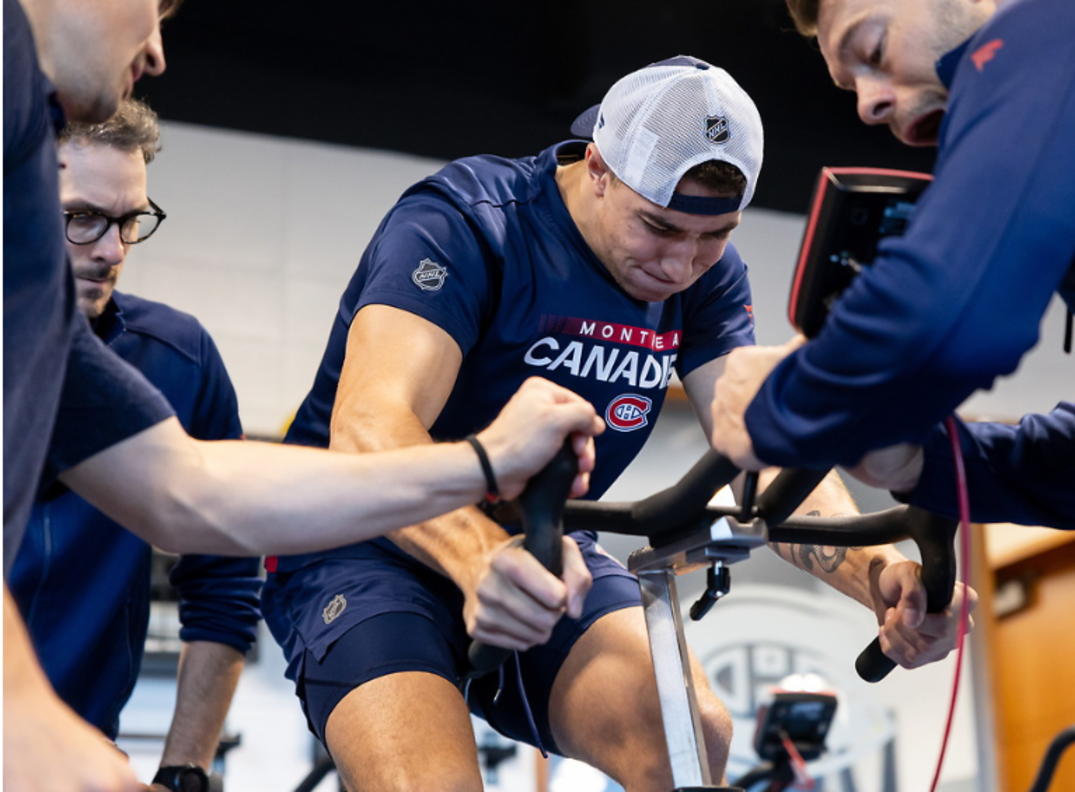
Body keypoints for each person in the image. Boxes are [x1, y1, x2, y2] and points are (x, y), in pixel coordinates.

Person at [262, 56, 973, 792]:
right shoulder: (468, 223)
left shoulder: (707, 282)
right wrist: (477, 559)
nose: (681, 266)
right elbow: (370, 430)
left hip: (543, 546)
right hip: (363, 545)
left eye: (715, 235)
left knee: (690, 736)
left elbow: (765, 451)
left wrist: (881, 578)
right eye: (659, 227)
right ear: (597, 167)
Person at [4, 1, 602, 789]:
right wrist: (24, 714)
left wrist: (480, 462)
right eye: (149, 6)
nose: (155, 52)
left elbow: (186, 487)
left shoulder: (62, 327)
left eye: (126, 222)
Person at [711, 0, 1075, 523]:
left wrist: (778, 404)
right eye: (852, 87)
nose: (867, 107)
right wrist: (928, 465)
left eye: (873, 49)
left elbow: (951, 316)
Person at [8, 98, 263, 792]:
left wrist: (185, 768)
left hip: (83, 758)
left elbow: (225, 573)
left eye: (130, 221)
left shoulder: (177, 361)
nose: (114, 250)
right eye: (82, 218)